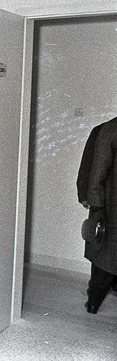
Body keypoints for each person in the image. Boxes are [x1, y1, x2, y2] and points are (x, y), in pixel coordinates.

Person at [82, 117, 117, 313]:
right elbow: (96, 172)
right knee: (105, 258)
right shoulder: (110, 129)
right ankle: (94, 301)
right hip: (111, 209)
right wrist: (96, 207)